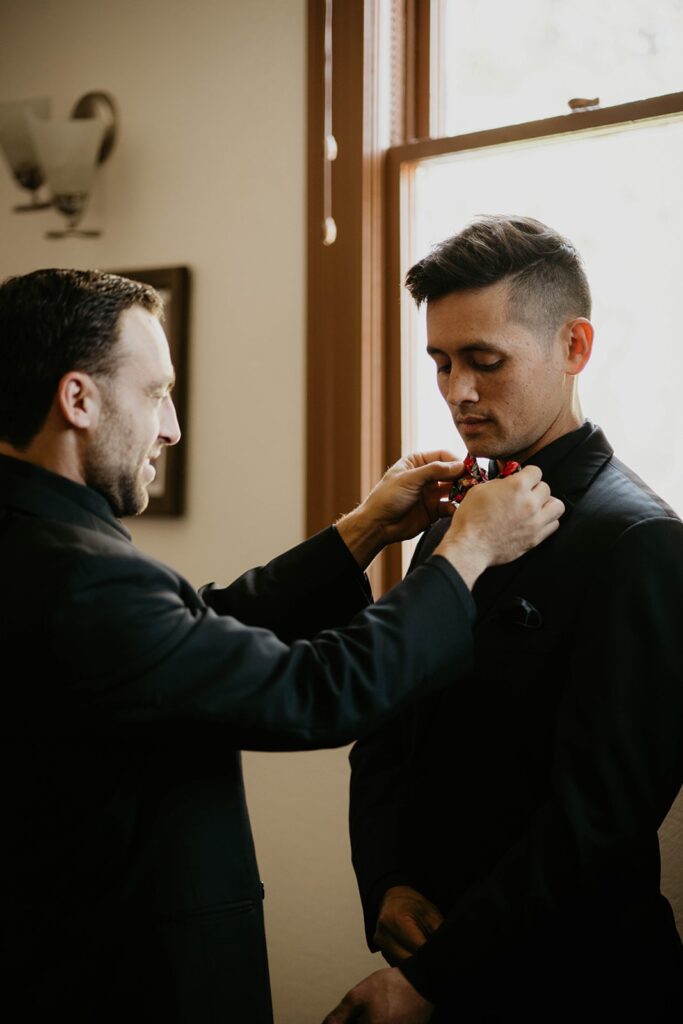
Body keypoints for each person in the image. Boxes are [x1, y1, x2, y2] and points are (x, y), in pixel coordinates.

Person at [0, 268, 562, 1024]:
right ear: (78, 399)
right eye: (156, 393)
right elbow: (316, 691)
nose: (170, 427)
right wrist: (462, 553)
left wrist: (361, 531)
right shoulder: (76, 579)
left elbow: (199, 627)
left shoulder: (38, 545)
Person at [332, 215, 683, 1024]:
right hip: (425, 948)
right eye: (441, 362)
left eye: (484, 361)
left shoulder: (641, 541)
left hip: (578, 981)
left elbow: (600, 817)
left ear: (573, 347)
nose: (457, 391)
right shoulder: (451, 517)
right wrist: (384, 878)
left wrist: (434, 977)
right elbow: (390, 716)